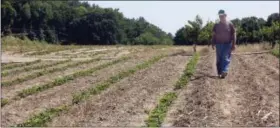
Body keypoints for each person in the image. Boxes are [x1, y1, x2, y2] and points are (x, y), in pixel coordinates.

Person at [211, 9, 236, 79]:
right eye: (220, 16)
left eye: (222, 16)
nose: (221, 17)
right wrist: (212, 43)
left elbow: (234, 34)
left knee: (225, 58)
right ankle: (219, 72)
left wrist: (234, 44)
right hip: (218, 44)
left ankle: (224, 71)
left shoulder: (230, 24)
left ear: (225, 16)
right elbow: (213, 35)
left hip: (227, 44)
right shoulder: (216, 25)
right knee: (219, 59)